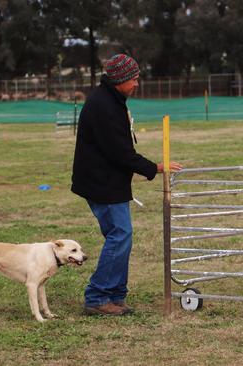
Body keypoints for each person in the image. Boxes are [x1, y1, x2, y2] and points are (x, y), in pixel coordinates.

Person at [71, 54, 182, 316]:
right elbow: (119, 152)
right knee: (120, 236)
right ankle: (98, 296)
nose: (136, 84)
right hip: (102, 183)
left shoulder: (111, 99)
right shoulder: (104, 105)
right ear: (120, 80)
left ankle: (115, 294)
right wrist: (153, 167)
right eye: (133, 79)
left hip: (107, 181)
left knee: (120, 237)